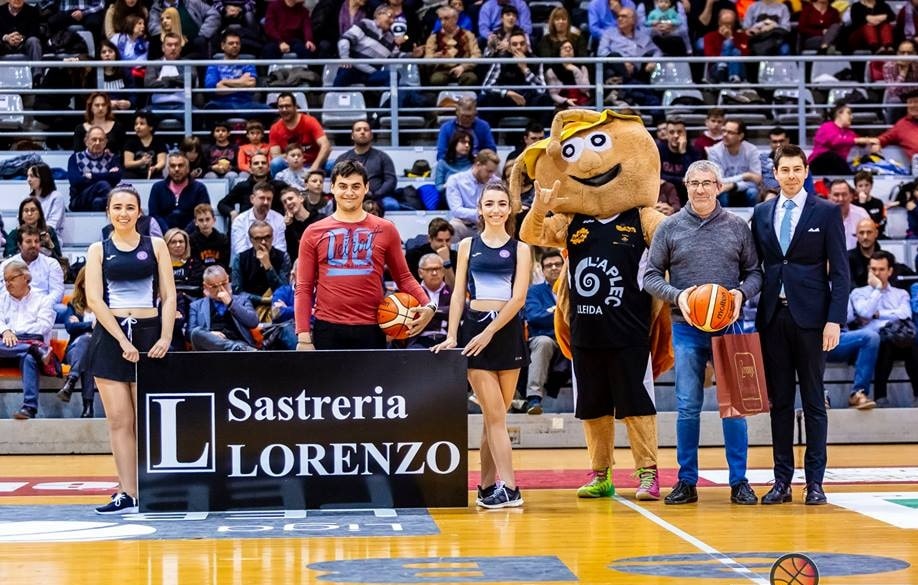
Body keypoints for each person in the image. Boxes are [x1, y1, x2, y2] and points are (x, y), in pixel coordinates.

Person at [645, 159, 763, 505]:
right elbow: (650, 276)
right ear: (685, 186)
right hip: (685, 327)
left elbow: (755, 273)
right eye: (693, 183)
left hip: (729, 326)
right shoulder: (669, 228)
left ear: (719, 186)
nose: (699, 189)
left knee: (735, 408)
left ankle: (739, 481)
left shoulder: (738, 227)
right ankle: (686, 481)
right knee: (686, 407)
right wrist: (678, 296)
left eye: (706, 183)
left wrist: (740, 294)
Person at [751, 144, 849, 506]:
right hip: (773, 318)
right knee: (779, 403)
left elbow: (841, 273)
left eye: (797, 169)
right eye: (784, 170)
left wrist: (834, 320)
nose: (791, 175)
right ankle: (781, 482)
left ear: (806, 171)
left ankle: (816, 482)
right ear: (774, 174)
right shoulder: (761, 213)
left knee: (813, 402)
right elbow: (756, 267)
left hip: (812, 320)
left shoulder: (825, 211)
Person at [432, 182, 531, 509]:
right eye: (489, 204)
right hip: (475, 333)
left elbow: (518, 299)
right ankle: (511, 489)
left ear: (509, 208)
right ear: (480, 209)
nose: (496, 210)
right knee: (496, 416)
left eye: (502, 203)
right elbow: (459, 293)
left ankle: (487, 487)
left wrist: (490, 331)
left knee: (495, 417)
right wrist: (451, 334)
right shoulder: (466, 246)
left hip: (507, 333)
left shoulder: (521, 249)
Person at [84, 184, 176, 514]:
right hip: (112, 339)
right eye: (117, 207)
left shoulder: (156, 245)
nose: (123, 213)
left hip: (150, 335)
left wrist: (165, 337)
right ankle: (128, 491)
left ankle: (156, 489)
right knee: (119, 421)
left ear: (139, 212)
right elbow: (94, 299)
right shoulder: (98, 249)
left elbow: (169, 296)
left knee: (148, 421)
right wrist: (123, 340)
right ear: (108, 212)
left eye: (129, 207)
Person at [294, 160, 436, 351]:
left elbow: (403, 277)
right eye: (343, 186)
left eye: (356, 186)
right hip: (327, 327)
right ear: (333, 188)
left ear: (366, 188)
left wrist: (429, 305)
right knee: (332, 383)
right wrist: (303, 336)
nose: (349, 192)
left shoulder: (386, 229)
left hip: (372, 327)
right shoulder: (313, 232)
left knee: (373, 382)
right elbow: (304, 287)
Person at [852, 251, 918, 408]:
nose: (876, 273)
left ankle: (917, 396)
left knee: (914, 342)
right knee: (883, 341)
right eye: (873, 269)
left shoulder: (901, 293)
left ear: (890, 271)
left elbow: (905, 314)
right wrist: (878, 289)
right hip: (875, 344)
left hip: (899, 339)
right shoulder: (858, 293)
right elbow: (865, 312)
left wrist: (878, 315)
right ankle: (881, 397)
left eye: (881, 269)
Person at [0, 260, 55, 420]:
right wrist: (5, 330)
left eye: (11, 279)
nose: (7, 284)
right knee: (32, 352)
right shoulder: (2, 298)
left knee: (29, 358)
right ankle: (33, 349)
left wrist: (15, 335)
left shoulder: (42, 300)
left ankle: (29, 408)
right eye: (5, 280)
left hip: (29, 341)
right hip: (5, 345)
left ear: (25, 277)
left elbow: (44, 326)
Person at [523, 249, 567, 415]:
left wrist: (552, 311)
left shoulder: (576, 287)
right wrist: (561, 312)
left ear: (564, 266)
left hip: (571, 338)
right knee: (543, 342)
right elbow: (534, 317)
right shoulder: (534, 291)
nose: (554, 267)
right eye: (549, 265)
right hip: (546, 338)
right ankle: (534, 399)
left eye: (558, 264)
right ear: (542, 270)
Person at [188, 265, 259, 351]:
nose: (220, 289)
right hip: (210, 347)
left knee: (240, 346)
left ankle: (236, 348)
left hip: (239, 343)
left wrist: (230, 303)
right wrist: (210, 334)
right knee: (196, 332)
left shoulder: (243, 300)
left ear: (228, 279)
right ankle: (234, 348)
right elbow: (190, 333)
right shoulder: (196, 306)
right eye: (214, 286)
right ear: (205, 286)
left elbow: (253, 322)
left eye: (224, 284)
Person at [57, 267, 97, 418]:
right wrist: (91, 325)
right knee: (86, 342)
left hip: (98, 351)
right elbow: (69, 327)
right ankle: (88, 407)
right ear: (83, 284)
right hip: (74, 351)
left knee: (88, 358)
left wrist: (80, 326)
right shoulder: (73, 304)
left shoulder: (105, 304)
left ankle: (71, 380)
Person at [231, 221, 291, 319]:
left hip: (277, 307)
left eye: (267, 237)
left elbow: (284, 291)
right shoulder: (240, 258)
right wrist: (263, 300)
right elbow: (237, 292)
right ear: (251, 240)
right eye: (258, 238)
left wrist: (268, 266)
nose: (263, 242)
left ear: (272, 237)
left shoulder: (283, 257)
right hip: (248, 308)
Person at [267, 93, 332, 176]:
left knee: (336, 165)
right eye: (281, 107)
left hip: (314, 163)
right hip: (291, 165)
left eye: (287, 106)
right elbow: (276, 156)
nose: (284, 109)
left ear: (295, 107)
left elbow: (326, 146)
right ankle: (279, 186)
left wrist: (314, 168)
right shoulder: (275, 128)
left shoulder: (309, 121)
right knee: (275, 163)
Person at [334, 121, 397, 207]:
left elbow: (391, 180)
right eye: (358, 130)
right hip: (349, 197)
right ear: (352, 136)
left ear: (371, 135)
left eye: (366, 129)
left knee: (391, 204)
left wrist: (375, 194)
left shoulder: (383, 157)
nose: (362, 132)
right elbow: (336, 181)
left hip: (377, 197)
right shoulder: (342, 159)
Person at [1, 226, 65, 310]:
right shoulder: (7, 265)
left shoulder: (51, 264)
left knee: (62, 309)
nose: (33, 245)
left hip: (44, 305)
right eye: (28, 242)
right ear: (19, 245)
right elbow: (3, 291)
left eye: (36, 241)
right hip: (14, 306)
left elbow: (57, 291)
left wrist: (42, 304)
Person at [147, 152, 212, 232]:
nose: (176, 169)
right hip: (163, 237)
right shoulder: (157, 188)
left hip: (192, 237)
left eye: (180, 165)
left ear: (188, 168)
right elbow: (154, 215)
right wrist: (169, 234)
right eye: (173, 166)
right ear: (168, 168)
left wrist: (183, 235)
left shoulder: (199, 188)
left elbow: (203, 214)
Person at [446, 149, 500, 240]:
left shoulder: (496, 182)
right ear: (478, 165)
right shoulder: (455, 180)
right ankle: (454, 254)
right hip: (464, 225)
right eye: (488, 171)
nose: (491, 175)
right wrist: (480, 214)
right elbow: (456, 210)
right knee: (453, 226)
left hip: (489, 225)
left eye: (493, 172)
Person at [706, 119, 761, 207]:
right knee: (721, 194)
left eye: (730, 132)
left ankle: (753, 220)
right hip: (724, 190)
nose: (725, 135)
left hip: (744, 189)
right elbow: (718, 180)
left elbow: (757, 180)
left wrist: (734, 185)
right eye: (724, 131)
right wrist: (745, 176)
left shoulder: (752, 150)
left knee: (753, 192)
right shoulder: (714, 151)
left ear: (740, 136)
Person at [808, 103, 874, 175]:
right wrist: (857, 140)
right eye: (848, 113)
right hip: (818, 164)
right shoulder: (827, 126)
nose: (851, 117)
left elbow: (861, 142)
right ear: (839, 113)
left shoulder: (850, 133)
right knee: (831, 156)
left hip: (836, 167)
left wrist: (872, 142)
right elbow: (835, 141)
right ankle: (849, 177)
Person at [218, 153, 286, 223]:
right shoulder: (242, 187)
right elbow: (222, 204)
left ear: (268, 168)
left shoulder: (279, 186)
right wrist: (232, 212)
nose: (260, 166)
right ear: (250, 168)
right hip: (247, 228)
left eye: (263, 163)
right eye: (256, 163)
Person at [68, 127, 123, 212]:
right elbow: (75, 181)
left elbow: (116, 177)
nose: (97, 143)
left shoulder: (111, 158)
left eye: (101, 140)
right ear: (86, 141)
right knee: (103, 184)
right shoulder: (75, 158)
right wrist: (107, 175)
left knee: (98, 202)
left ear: (105, 143)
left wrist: (91, 176)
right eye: (94, 139)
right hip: (79, 200)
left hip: (102, 200)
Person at [424, 5, 481, 87]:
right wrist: (434, 57)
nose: (442, 22)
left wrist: (463, 67)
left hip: (463, 69)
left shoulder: (468, 35)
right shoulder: (433, 37)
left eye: (446, 18)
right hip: (442, 69)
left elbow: (476, 55)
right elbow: (427, 58)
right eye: (440, 19)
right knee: (436, 79)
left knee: (471, 78)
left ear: (455, 19)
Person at [230, 183, 287, 258]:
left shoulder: (279, 219)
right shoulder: (240, 220)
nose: (266, 202)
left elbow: (281, 249)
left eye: (269, 199)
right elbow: (240, 250)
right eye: (262, 198)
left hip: (274, 261)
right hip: (246, 264)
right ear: (252, 199)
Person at [435, 97, 498, 162]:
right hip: (453, 164)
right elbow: (441, 154)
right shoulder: (446, 128)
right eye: (463, 115)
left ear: (475, 113)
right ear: (457, 112)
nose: (466, 119)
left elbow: (492, 150)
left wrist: (481, 158)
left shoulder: (483, 126)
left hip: (477, 163)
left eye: (470, 116)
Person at [406, 217, 458, 286]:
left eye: (447, 240)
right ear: (430, 238)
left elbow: (453, 289)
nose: (444, 245)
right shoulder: (413, 255)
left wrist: (446, 262)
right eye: (439, 240)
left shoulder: (456, 256)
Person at [869, 90, 918, 159]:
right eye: (909, 102)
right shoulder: (902, 125)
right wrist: (876, 144)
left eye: (916, 102)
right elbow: (883, 138)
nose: (912, 105)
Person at [0, 0, 44, 73]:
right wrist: (6, 37)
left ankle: (37, 78)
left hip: (24, 43)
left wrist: (21, 38)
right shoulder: (1, 11)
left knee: (34, 41)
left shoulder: (32, 11)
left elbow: (35, 31)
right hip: (4, 43)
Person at [122, 110, 167, 180]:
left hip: (154, 174)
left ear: (151, 127)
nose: (138, 127)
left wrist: (155, 168)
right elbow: (127, 163)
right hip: (134, 175)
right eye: (136, 124)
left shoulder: (159, 142)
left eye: (142, 124)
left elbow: (162, 162)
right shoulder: (130, 142)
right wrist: (141, 162)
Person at [828, 179, 871, 251]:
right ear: (829, 197)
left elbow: (871, 240)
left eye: (844, 194)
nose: (841, 199)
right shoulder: (820, 216)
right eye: (836, 195)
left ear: (851, 196)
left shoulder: (862, 215)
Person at [189, 203, 230, 274]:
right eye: (201, 220)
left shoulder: (223, 239)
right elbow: (194, 264)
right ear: (195, 222)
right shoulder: (191, 240)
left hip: (219, 274)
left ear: (214, 220)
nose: (205, 223)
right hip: (199, 276)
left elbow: (225, 263)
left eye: (207, 219)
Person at [27, 163, 65, 238]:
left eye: (32, 176)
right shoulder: (28, 198)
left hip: (49, 238)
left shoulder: (56, 197)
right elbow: (21, 221)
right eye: (27, 176)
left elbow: (53, 224)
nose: (28, 180)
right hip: (29, 237)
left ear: (43, 177)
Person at [435, 130, 474, 198]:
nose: (467, 145)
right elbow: (439, 188)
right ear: (454, 143)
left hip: (471, 196)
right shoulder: (443, 163)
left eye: (469, 143)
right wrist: (450, 184)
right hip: (450, 196)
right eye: (463, 142)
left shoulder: (474, 163)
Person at [853, 171, 886, 236]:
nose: (864, 188)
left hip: (876, 235)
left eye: (866, 185)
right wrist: (862, 204)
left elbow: (882, 222)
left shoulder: (878, 203)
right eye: (860, 186)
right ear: (856, 188)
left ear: (871, 186)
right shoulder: (853, 204)